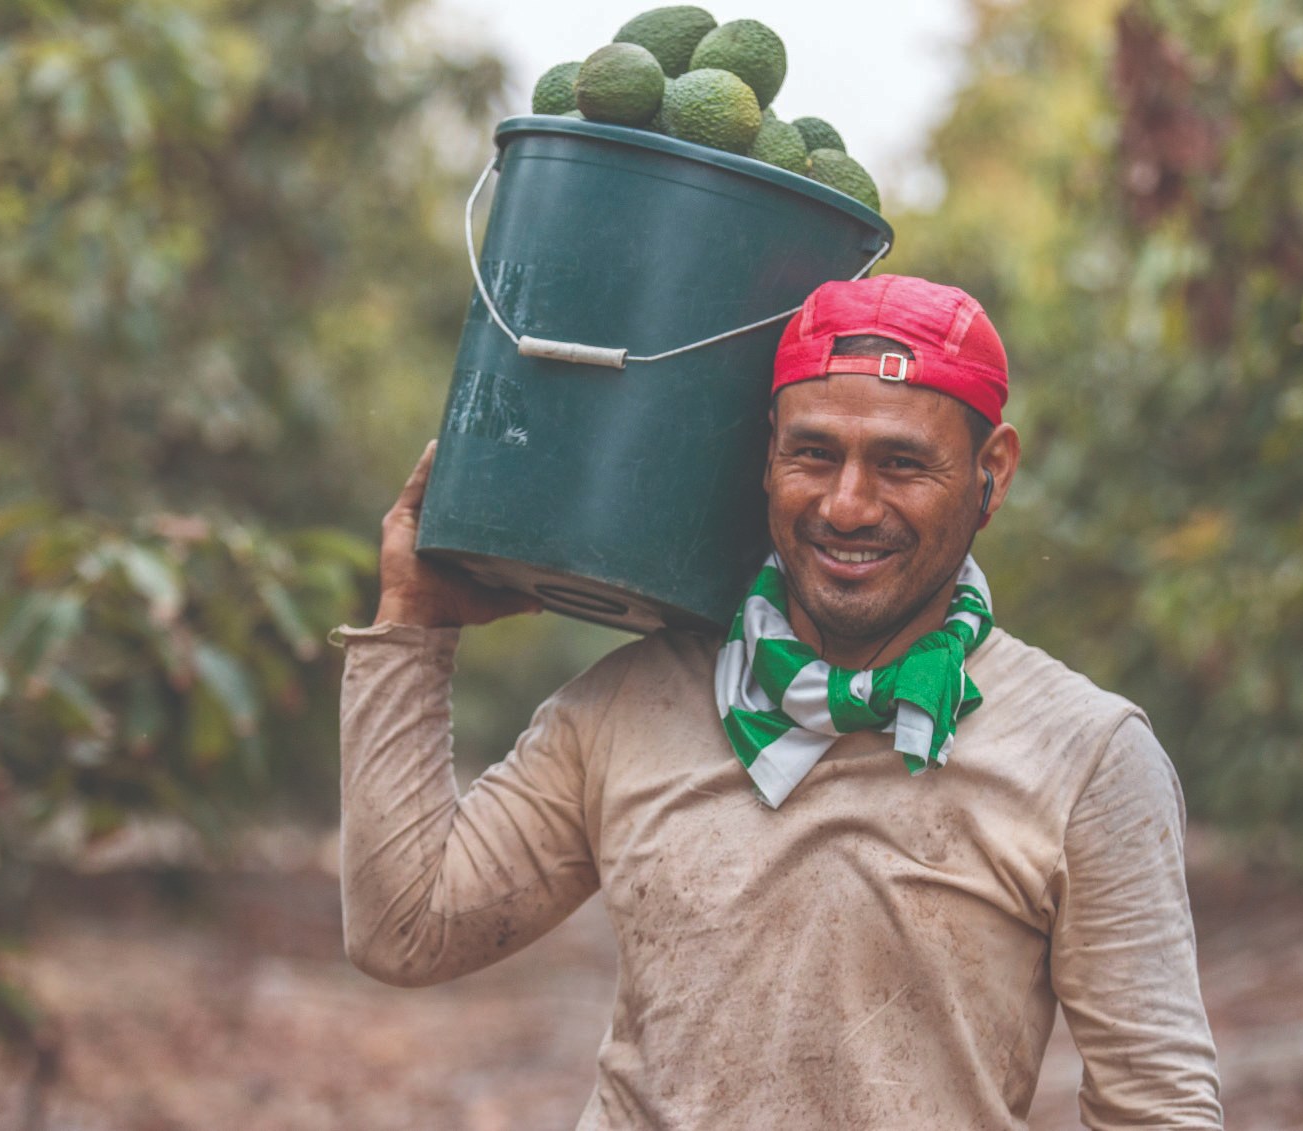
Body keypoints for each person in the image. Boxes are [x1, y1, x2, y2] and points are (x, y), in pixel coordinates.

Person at [335, 274, 1224, 1128]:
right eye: (813, 453)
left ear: (992, 471)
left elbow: (1159, 1107)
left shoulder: (1084, 754)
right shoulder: (636, 702)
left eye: (901, 464)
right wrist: (413, 626)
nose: (845, 505)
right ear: (766, 453)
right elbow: (405, 929)